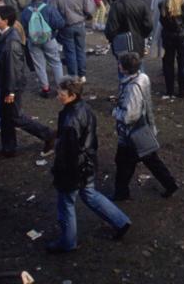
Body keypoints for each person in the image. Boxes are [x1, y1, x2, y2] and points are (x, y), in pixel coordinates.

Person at [46, 77, 130, 252]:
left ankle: (68, 242)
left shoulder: (70, 120)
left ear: (71, 95)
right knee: (90, 194)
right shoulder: (85, 108)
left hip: (74, 168)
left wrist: (59, 171)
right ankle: (120, 221)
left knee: (66, 203)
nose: (58, 96)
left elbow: (68, 152)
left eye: (61, 93)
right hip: (88, 162)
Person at [0, 5, 54, 159]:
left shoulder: (10, 42)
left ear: (5, 21)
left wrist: (10, 91)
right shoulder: (6, 35)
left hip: (11, 86)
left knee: (15, 117)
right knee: (6, 117)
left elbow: (13, 68)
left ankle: (48, 134)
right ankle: (8, 148)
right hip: (7, 84)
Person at [112, 52, 178, 201]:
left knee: (123, 165)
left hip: (132, 135)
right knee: (151, 160)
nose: (118, 65)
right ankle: (170, 184)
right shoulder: (143, 78)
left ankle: (121, 194)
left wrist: (116, 112)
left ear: (125, 69)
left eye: (121, 64)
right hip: (144, 129)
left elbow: (131, 115)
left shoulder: (132, 87)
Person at [51, 0, 96, 82]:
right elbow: (90, 8)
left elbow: (52, 13)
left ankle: (73, 75)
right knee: (80, 49)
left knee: (70, 51)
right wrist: (87, 16)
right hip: (80, 24)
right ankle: (82, 74)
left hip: (66, 27)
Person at [21, 0, 66, 98]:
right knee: (56, 63)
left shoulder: (26, 11)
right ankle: (60, 87)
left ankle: (45, 88)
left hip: (33, 40)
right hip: (49, 39)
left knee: (39, 65)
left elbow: (23, 26)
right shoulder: (49, 8)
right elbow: (60, 23)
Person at [159, 0, 184, 98]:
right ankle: (182, 89)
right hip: (181, 37)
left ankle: (169, 89)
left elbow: (162, 21)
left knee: (168, 63)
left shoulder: (163, 6)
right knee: (182, 63)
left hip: (168, 36)